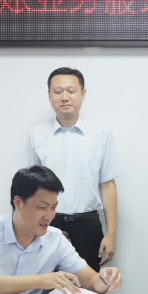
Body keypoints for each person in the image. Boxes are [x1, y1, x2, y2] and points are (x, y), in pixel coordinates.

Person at [0, 165, 122, 294]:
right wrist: (40, 280)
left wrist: (105, 279)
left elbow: (91, 282)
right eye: (42, 207)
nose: (49, 216)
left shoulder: (56, 239)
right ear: (18, 202)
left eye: (53, 207)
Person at [19, 67, 122, 272]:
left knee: (89, 286)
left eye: (71, 91)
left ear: (83, 94)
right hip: (46, 224)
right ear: (49, 95)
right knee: (44, 285)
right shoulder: (36, 136)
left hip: (88, 226)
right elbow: (26, 187)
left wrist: (111, 235)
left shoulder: (100, 135)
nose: (65, 97)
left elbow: (108, 185)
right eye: (58, 91)